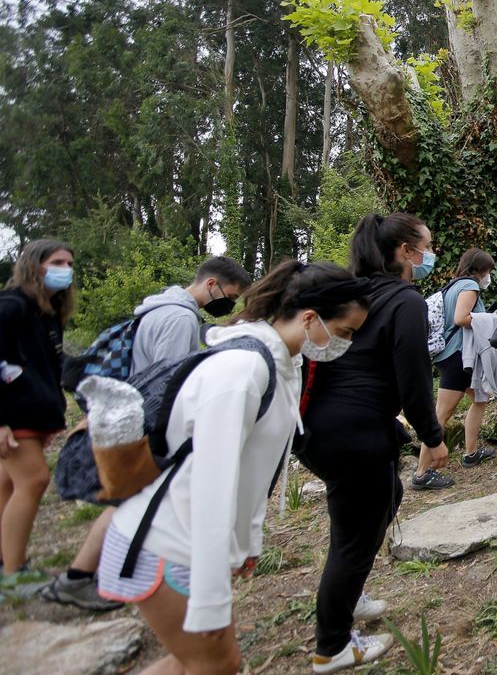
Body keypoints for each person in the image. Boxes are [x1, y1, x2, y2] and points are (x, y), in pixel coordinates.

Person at [96, 260, 370, 675]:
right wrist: (209, 599)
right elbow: (213, 482)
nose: (345, 343)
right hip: (164, 542)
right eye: (346, 332)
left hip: (187, 540)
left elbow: (254, 470)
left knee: (196, 662)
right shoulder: (243, 370)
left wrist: (245, 542)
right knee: (217, 664)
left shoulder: (283, 362)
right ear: (311, 318)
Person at [42, 255, 251, 612]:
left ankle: (86, 575)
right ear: (211, 285)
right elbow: (169, 381)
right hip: (148, 423)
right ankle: (80, 577)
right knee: (131, 500)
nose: (229, 303)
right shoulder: (181, 318)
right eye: (230, 295)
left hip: (132, 414)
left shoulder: (159, 307)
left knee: (130, 499)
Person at [299, 212, 448, 673]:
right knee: (353, 536)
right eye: (426, 244)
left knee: (385, 498)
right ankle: (333, 646)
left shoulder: (354, 290)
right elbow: (413, 376)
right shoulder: (404, 300)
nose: (430, 252)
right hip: (354, 431)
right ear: (406, 252)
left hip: (322, 426)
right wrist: (433, 437)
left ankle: (349, 593)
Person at [0, 239, 76, 588]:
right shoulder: (11, 306)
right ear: (34, 265)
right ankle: (14, 575)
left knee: (7, 485)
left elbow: (52, 364)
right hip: (14, 414)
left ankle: (6, 563)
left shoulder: (46, 313)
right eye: (57, 262)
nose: (66, 270)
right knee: (33, 480)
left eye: (69, 264)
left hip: (34, 411)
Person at [411, 248, 497, 486]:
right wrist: (491, 319)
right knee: (442, 413)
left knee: (480, 399)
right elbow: (461, 318)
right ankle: (421, 474)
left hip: (450, 354)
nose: (488, 276)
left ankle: (471, 454)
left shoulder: (453, 286)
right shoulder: (469, 286)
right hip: (458, 357)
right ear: (479, 270)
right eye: (488, 271)